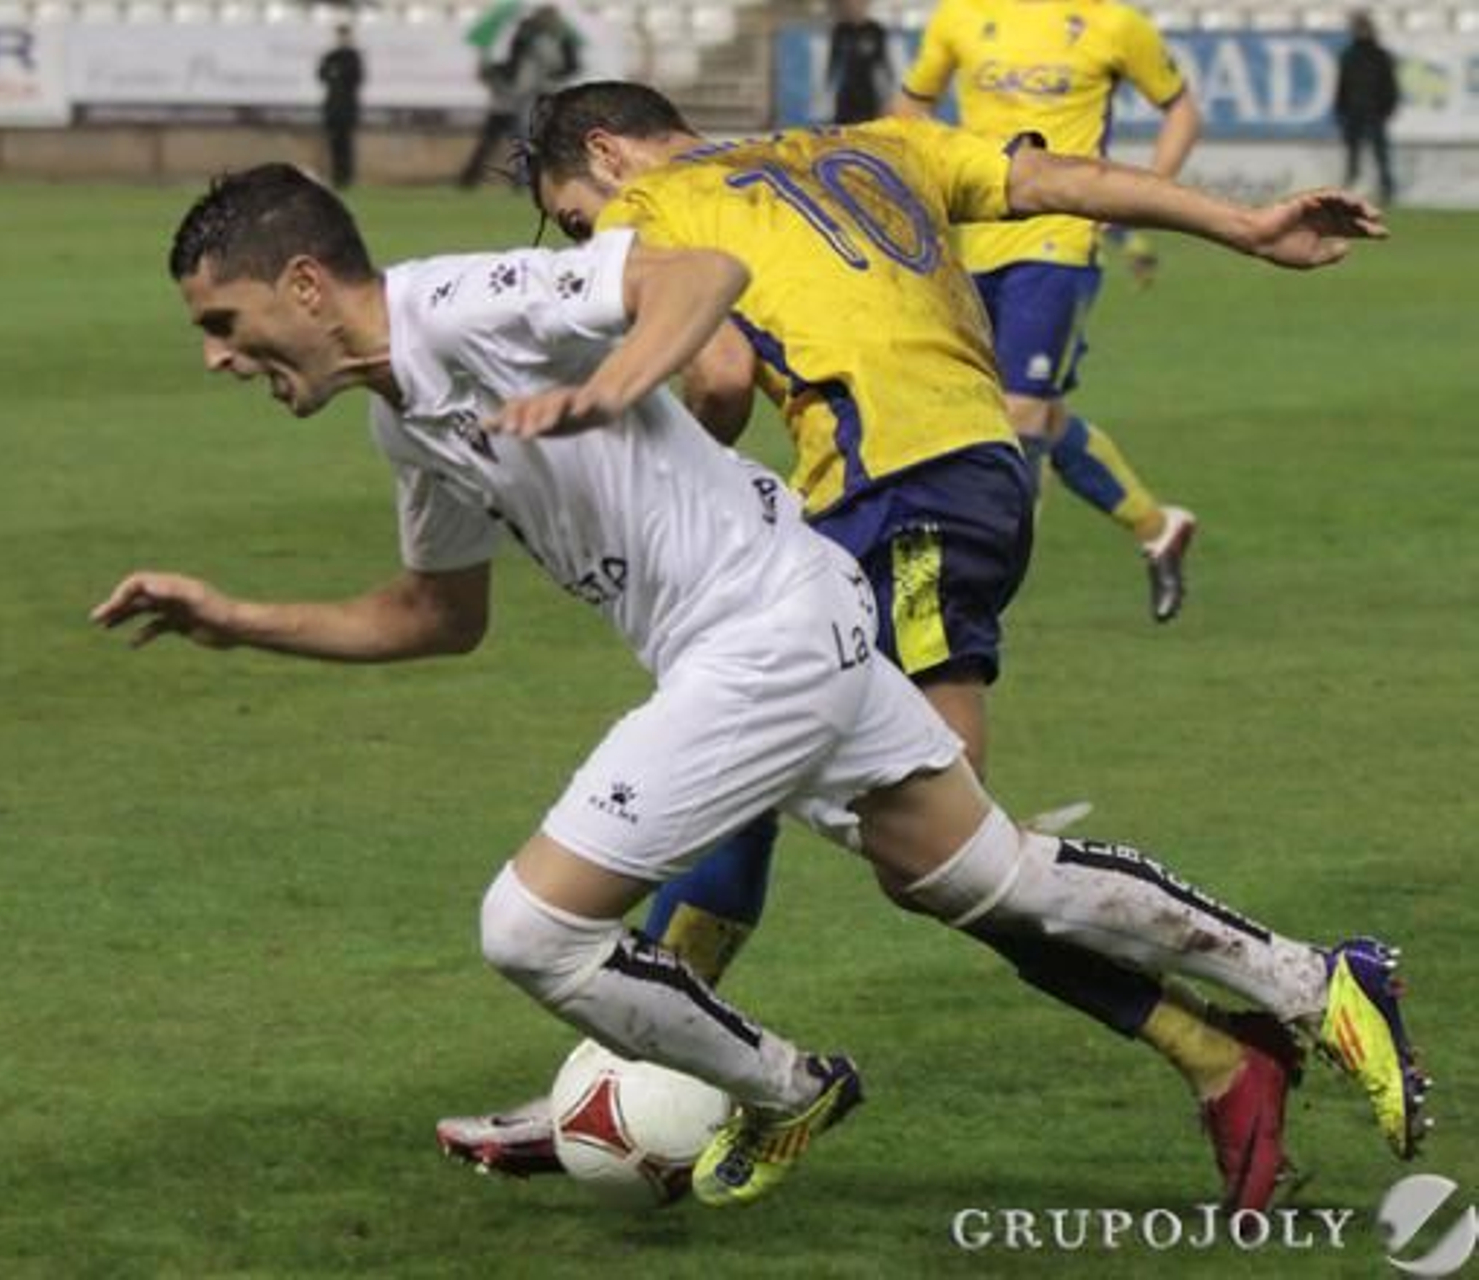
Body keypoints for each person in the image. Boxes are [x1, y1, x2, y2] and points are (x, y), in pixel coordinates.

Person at [99, 160, 1422, 1206]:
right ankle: (1316, 979)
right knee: (995, 878)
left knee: (528, 928)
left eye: (224, 322)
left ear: (305, 283)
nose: (217, 355)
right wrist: (233, 618)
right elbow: (434, 617)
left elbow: (703, 273)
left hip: (761, 636)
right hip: (786, 617)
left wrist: (612, 382)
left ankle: (788, 1090)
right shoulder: (407, 419)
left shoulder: (464, 304)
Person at [434, 80, 1402, 1211]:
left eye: (580, 220)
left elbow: (722, 376)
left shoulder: (659, 207)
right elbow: (1055, 179)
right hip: (971, 476)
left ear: (607, 154)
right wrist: (1242, 224)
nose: (597, 247)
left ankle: (1293, 994)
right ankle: (631, 1082)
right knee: (804, 800)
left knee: (947, 854)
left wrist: (661, 476)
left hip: (890, 494)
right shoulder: (874, 142)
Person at [892, 0, 1203, 624]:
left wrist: (1142, 195)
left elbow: (1181, 111)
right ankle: (1157, 526)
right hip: (974, 242)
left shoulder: (1110, 22)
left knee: (1021, 415)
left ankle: (985, 594)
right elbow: (908, 109)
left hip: (1059, 243)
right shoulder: (959, 16)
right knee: (1025, 413)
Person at [457, 4, 581, 190]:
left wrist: (555, 74)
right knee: (524, 139)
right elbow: (513, 68)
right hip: (526, 96)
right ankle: (523, 178)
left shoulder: (555, 40)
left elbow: (571, 65)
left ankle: (535, 178)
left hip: (539, 94)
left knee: (536, 140)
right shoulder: (528, 38)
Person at [1335, 11, 1399, 206]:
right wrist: (1341, 110)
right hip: (1353, 113)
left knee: (1381, 155)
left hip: (1375, 113)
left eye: (1363, 27)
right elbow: (1342, 86)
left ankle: (1387, 190)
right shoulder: (1348, 55)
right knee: (1353, 156)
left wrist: (1386, 110)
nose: (1361, 31)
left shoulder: (1381, 56)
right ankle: (1349, 190)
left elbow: (1390, 86)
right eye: (1358, 27)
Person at [826, 0, 893, 125]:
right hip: (847, 91)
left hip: (869, 92)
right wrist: (827, 90)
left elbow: (884, 64)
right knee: (842, 129)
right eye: (851, 3)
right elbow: (833, 62)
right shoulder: (840, 30)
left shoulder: (876, 30)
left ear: (866, 4)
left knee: (869, 130)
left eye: (859, 3)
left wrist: (887, 93)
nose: (855, 6)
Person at [316, 24, 365, 190]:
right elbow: (321, 74)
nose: (342, 39)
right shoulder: (330, 55)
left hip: (348, 108)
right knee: (334, 144)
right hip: (332, 108)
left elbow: (356, 78)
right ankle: (336, 177)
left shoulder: (354, 56)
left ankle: (347, 178)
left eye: (345, 35)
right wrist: (334, 73)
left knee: (347, 145)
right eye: (340, 35)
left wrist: (338, 73)